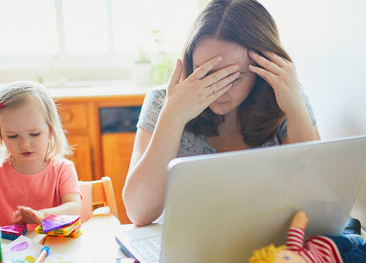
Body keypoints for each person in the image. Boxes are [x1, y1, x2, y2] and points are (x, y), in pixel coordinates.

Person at [123, 0, 320, 226]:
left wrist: (294, 108)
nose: (217, 90)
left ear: (263, 67)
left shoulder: (286, 98)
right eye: (204, 73)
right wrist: (172, 116)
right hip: (186, 245)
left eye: (233, 78)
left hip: (266, 245)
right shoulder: (162, 102)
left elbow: (315, 200)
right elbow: (138, 212)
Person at [0, 81, 81, 229]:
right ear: (1, 135)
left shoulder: (62, 169)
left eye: (34, 134)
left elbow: (74, 208)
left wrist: (42, 216)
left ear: (50, 129)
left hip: (54, 247)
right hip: (9, 250)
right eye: (12, 136)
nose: (24, 144)